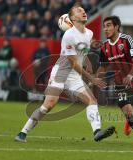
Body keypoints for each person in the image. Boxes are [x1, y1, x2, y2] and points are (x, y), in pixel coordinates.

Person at [15, 4, 115, 142]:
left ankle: (97, 131)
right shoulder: (68, 35)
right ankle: (23, 132)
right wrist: (91, 77)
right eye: (79, 11)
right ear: (73, 18)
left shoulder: (89, 33)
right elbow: (73, 63)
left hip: (74, 75)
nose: (83, 11)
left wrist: (88, 64)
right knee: (48, 105)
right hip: (61, 72)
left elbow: (83, 52)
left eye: (83, 10)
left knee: (92, 101)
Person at [96, 16, 133, 147]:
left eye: (109, 25)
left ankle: (129, 121)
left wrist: (130, 75)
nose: (106, 29)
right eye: (104, 26)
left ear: (116, 27)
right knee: (125, 106)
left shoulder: (127, 40)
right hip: (120, 83)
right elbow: (103, 66)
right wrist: (96, 78)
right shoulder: (104, 47)